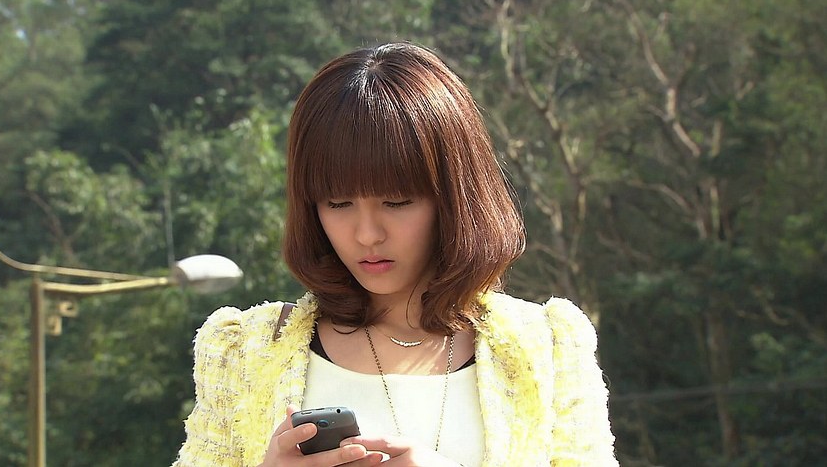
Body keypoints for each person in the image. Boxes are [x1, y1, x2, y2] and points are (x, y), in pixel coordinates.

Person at [172, 42, 617, 467]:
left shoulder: (547, 348)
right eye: (338, 203)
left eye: (397, 201)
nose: (367, 234)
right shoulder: (245, 351)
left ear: (454, 198)